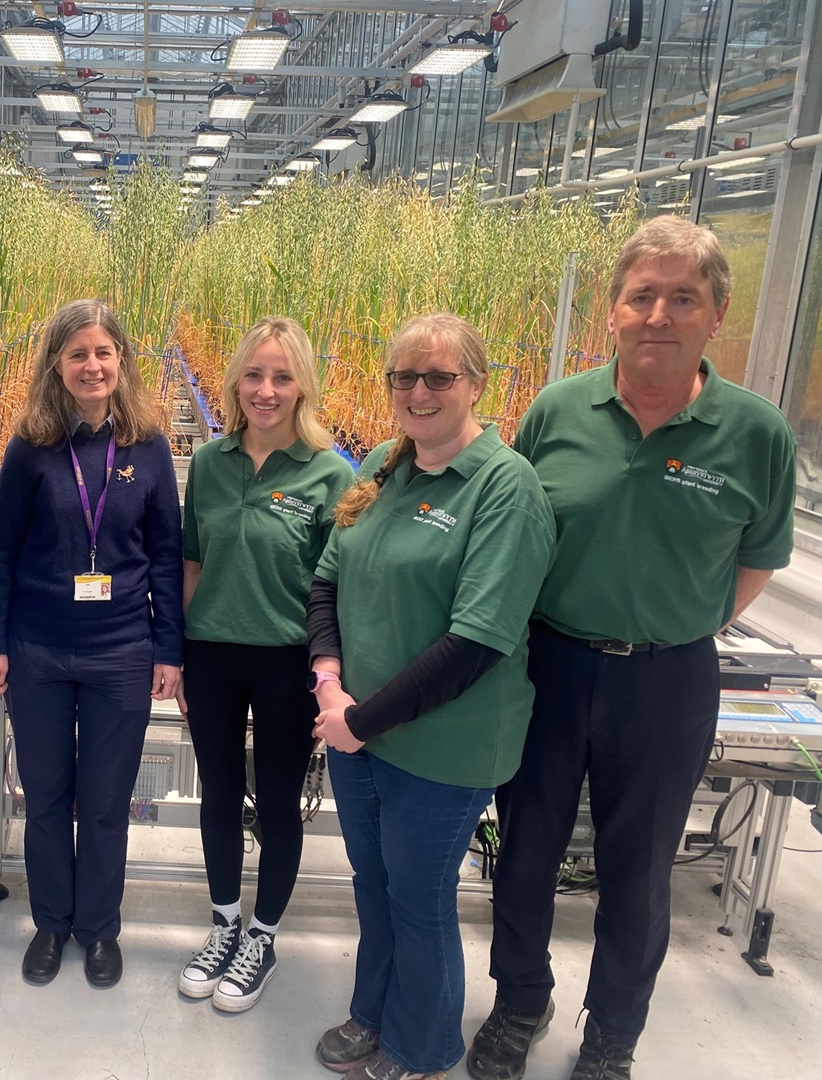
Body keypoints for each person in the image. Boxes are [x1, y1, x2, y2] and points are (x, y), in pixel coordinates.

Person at [470, 218, 796, 1080]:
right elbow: (512, 526)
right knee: (525, 848)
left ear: (715, 314)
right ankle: (519, 1001)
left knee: (641, 869)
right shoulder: (558, 410)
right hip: (547, 664)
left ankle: (613, 1034)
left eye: (682, 297)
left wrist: (673, 620)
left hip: (667, 681)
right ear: (613, 311)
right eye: (641, 296)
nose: (659, 314)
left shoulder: (756, 434)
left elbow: (759, 559)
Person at [306, 312, 555, 1080]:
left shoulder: (505, 490)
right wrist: (328, 681)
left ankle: (423, 1049)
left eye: (439, 377)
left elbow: (473, 644)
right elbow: (327, 581)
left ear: (477, 385)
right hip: (357, 727)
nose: (418, 392)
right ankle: (372, 1014)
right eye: (404, 377)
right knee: (374, 885)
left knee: (419, 899)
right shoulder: (386, 462)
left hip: (441, 745)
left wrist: (357, 720)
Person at [0, 299, 183, 989]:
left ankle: (98, 928)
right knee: (44, 794)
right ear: (56, 365)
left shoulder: (149, 445)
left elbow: (164, 555)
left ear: (121, 360)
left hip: (121, 650)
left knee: (103, 801)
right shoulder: (31, 446)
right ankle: (52, 923)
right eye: (77, 354)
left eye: (102, 352)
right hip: (37, 649)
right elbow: (0, 553)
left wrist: (168, 650)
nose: (91, 365)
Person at [176, 316, 354, 1012]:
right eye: (254, 374)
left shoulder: (329, 474)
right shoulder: (211, 466)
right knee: (217, 795)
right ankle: (223, 923)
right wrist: (184, 656)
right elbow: (192, 562)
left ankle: (263, 936)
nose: (266, 389)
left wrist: (328, 679)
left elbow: (336, 586)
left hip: (288, 663)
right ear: (234, 382)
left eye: (281, 376)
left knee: (278, 802)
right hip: (214, 656)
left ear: (302, 386)